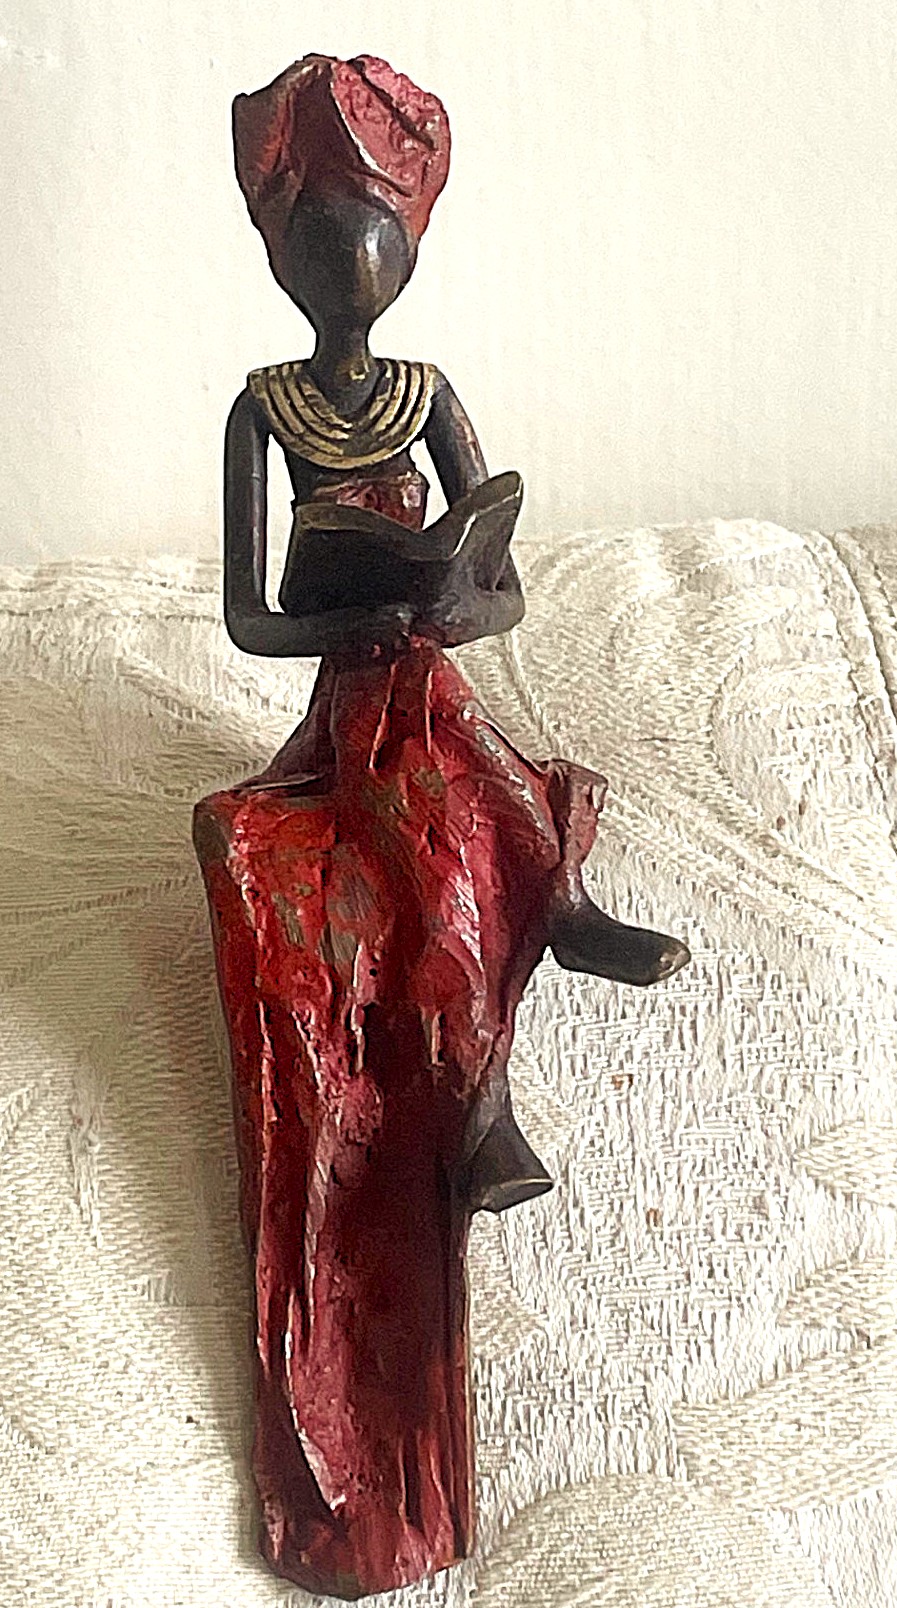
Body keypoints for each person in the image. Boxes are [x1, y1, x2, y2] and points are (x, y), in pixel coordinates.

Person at [194, 55, 689, 1598]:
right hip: (349, 702)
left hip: (424, 670)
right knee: (429, 805)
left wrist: (444, 590)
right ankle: (502, 1042)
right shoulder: (263, 409)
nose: (350, 267)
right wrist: (356, 608)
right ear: (279, 251)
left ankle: (517, 1005)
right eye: (320, 238)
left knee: (450, 755)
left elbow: (504, 588)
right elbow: (248, 616)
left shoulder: (428, 396)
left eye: (376, 236)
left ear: (411, 245)